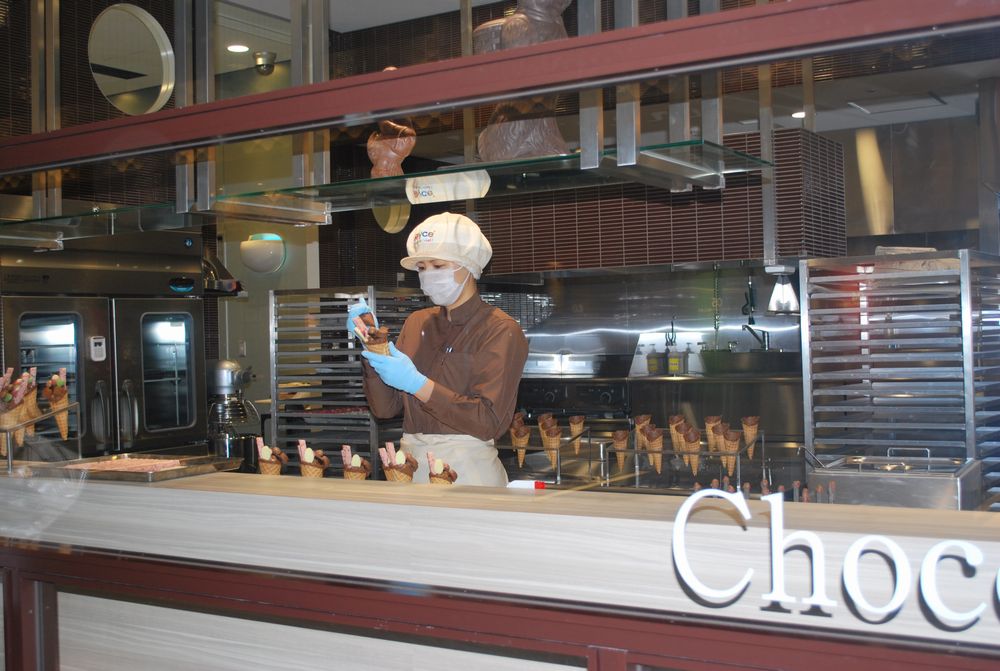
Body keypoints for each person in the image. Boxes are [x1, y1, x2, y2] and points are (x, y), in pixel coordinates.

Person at [348, 213, 528, 486]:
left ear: (469, 266)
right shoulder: (417, 322)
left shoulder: (501, 329)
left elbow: (488, 421)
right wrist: (372, 348)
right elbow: (385, 409)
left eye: (438, 265)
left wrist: (418, 384)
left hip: (468, 470)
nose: (428, 275)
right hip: (410, 467)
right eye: (422, 267)